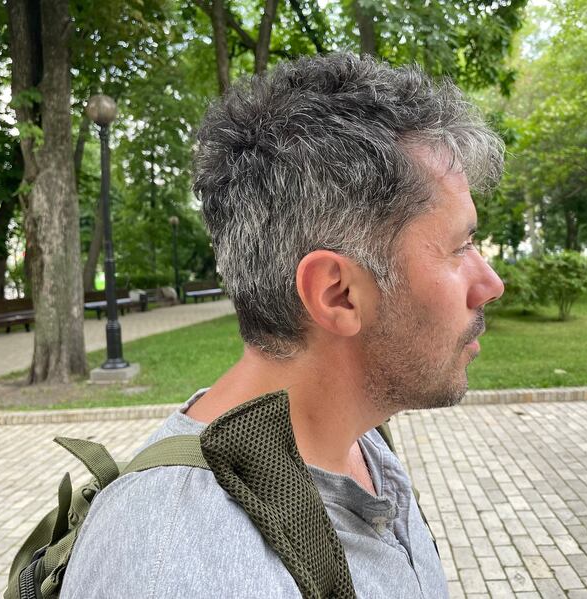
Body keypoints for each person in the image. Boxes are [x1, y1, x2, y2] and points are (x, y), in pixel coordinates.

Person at [61, 52, 504, 598]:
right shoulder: (178, 570)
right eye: (459, 247)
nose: (490, 283)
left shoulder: (357, 440)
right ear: (337, 294)